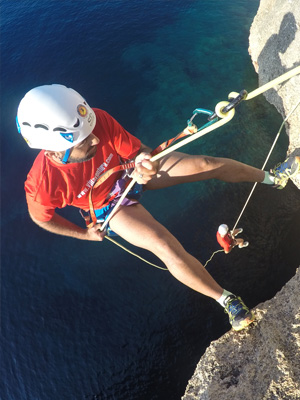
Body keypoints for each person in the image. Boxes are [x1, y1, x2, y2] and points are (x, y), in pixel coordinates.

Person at [16, 84, 298, 331]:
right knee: (163, 245)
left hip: (127, 173)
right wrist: (84, 234)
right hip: (109, 207)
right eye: (84, 141)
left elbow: (137, 151)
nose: (95, 139)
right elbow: (42, 218)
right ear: (53, 151)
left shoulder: (95, 120)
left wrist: (142, 162)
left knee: (206, 164)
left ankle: (274, 178)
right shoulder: (42, 184)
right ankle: (226, 300)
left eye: (90, 131)